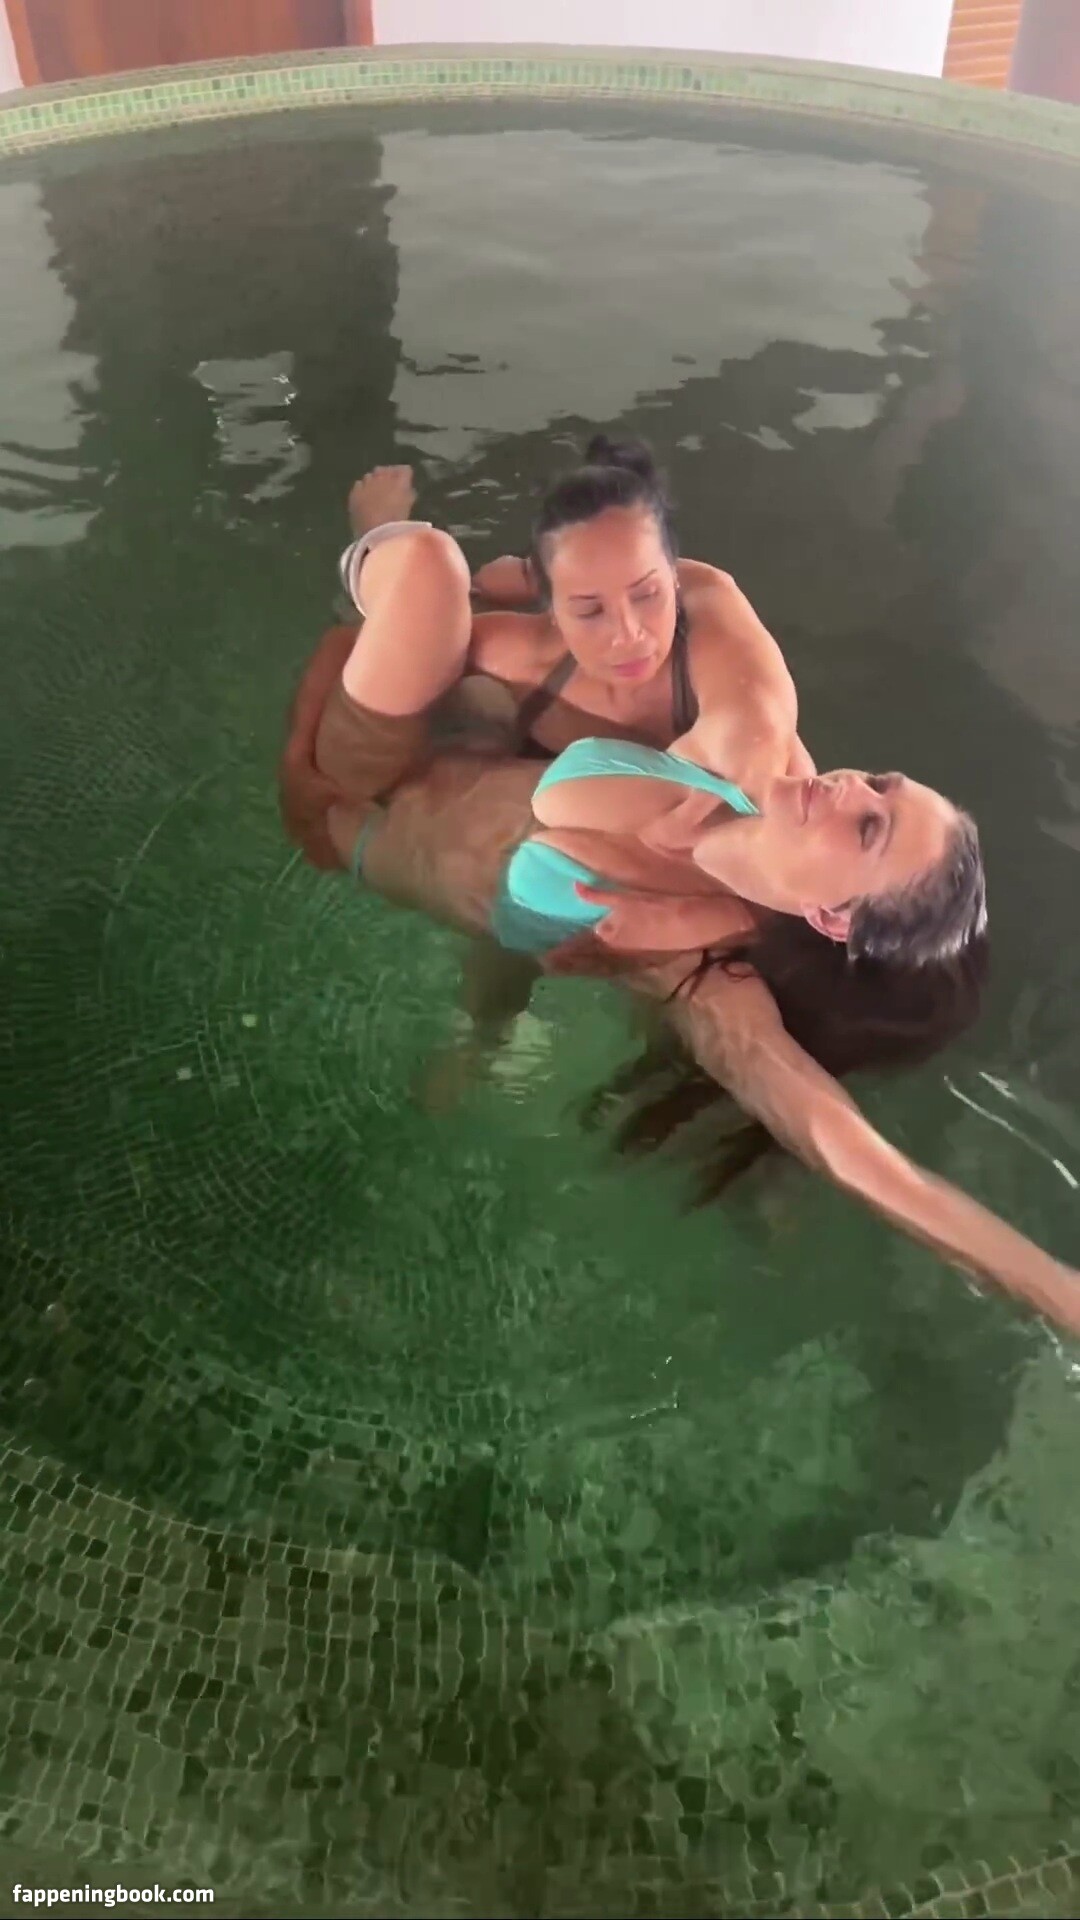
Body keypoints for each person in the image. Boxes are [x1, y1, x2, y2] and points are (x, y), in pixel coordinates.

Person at [277, 512, 1080, 1335]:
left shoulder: (707, 979)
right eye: (881, 784)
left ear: (835, 918)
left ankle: (482, 1032)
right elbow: (702, 591)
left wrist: (1062, 1293)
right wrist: (301, 754)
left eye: (869, 828)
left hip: (365, 827)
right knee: (429, 582)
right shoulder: (764, 760)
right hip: (427, 759)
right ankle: (382, 566)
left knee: (519, 927)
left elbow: (856, 1156)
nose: (851, 789)